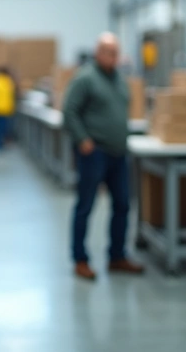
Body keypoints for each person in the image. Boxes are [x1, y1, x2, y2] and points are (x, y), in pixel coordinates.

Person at [62, 33, 144, 281]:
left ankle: (117, 256)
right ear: (97, 53)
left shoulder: (120, 79)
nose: (113, 57)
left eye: (116, 52)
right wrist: (83, 140)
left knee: (122, 205)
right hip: (94, 152)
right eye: (108, 51)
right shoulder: (86, 78)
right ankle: (80, 259)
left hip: (119, 154)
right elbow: (69, 111)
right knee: (85, 206)